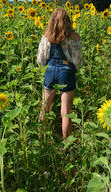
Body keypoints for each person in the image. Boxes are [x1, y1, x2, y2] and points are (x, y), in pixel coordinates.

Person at [37, 8, 83, 140]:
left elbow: (40, 60)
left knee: (44, 109)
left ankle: (41, 141)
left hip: (50, 71)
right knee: (66, 112)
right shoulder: (74, 37)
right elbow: (78, 61)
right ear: (67, 21)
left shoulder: (47, 37)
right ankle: (66, 147)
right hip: (67, 73)